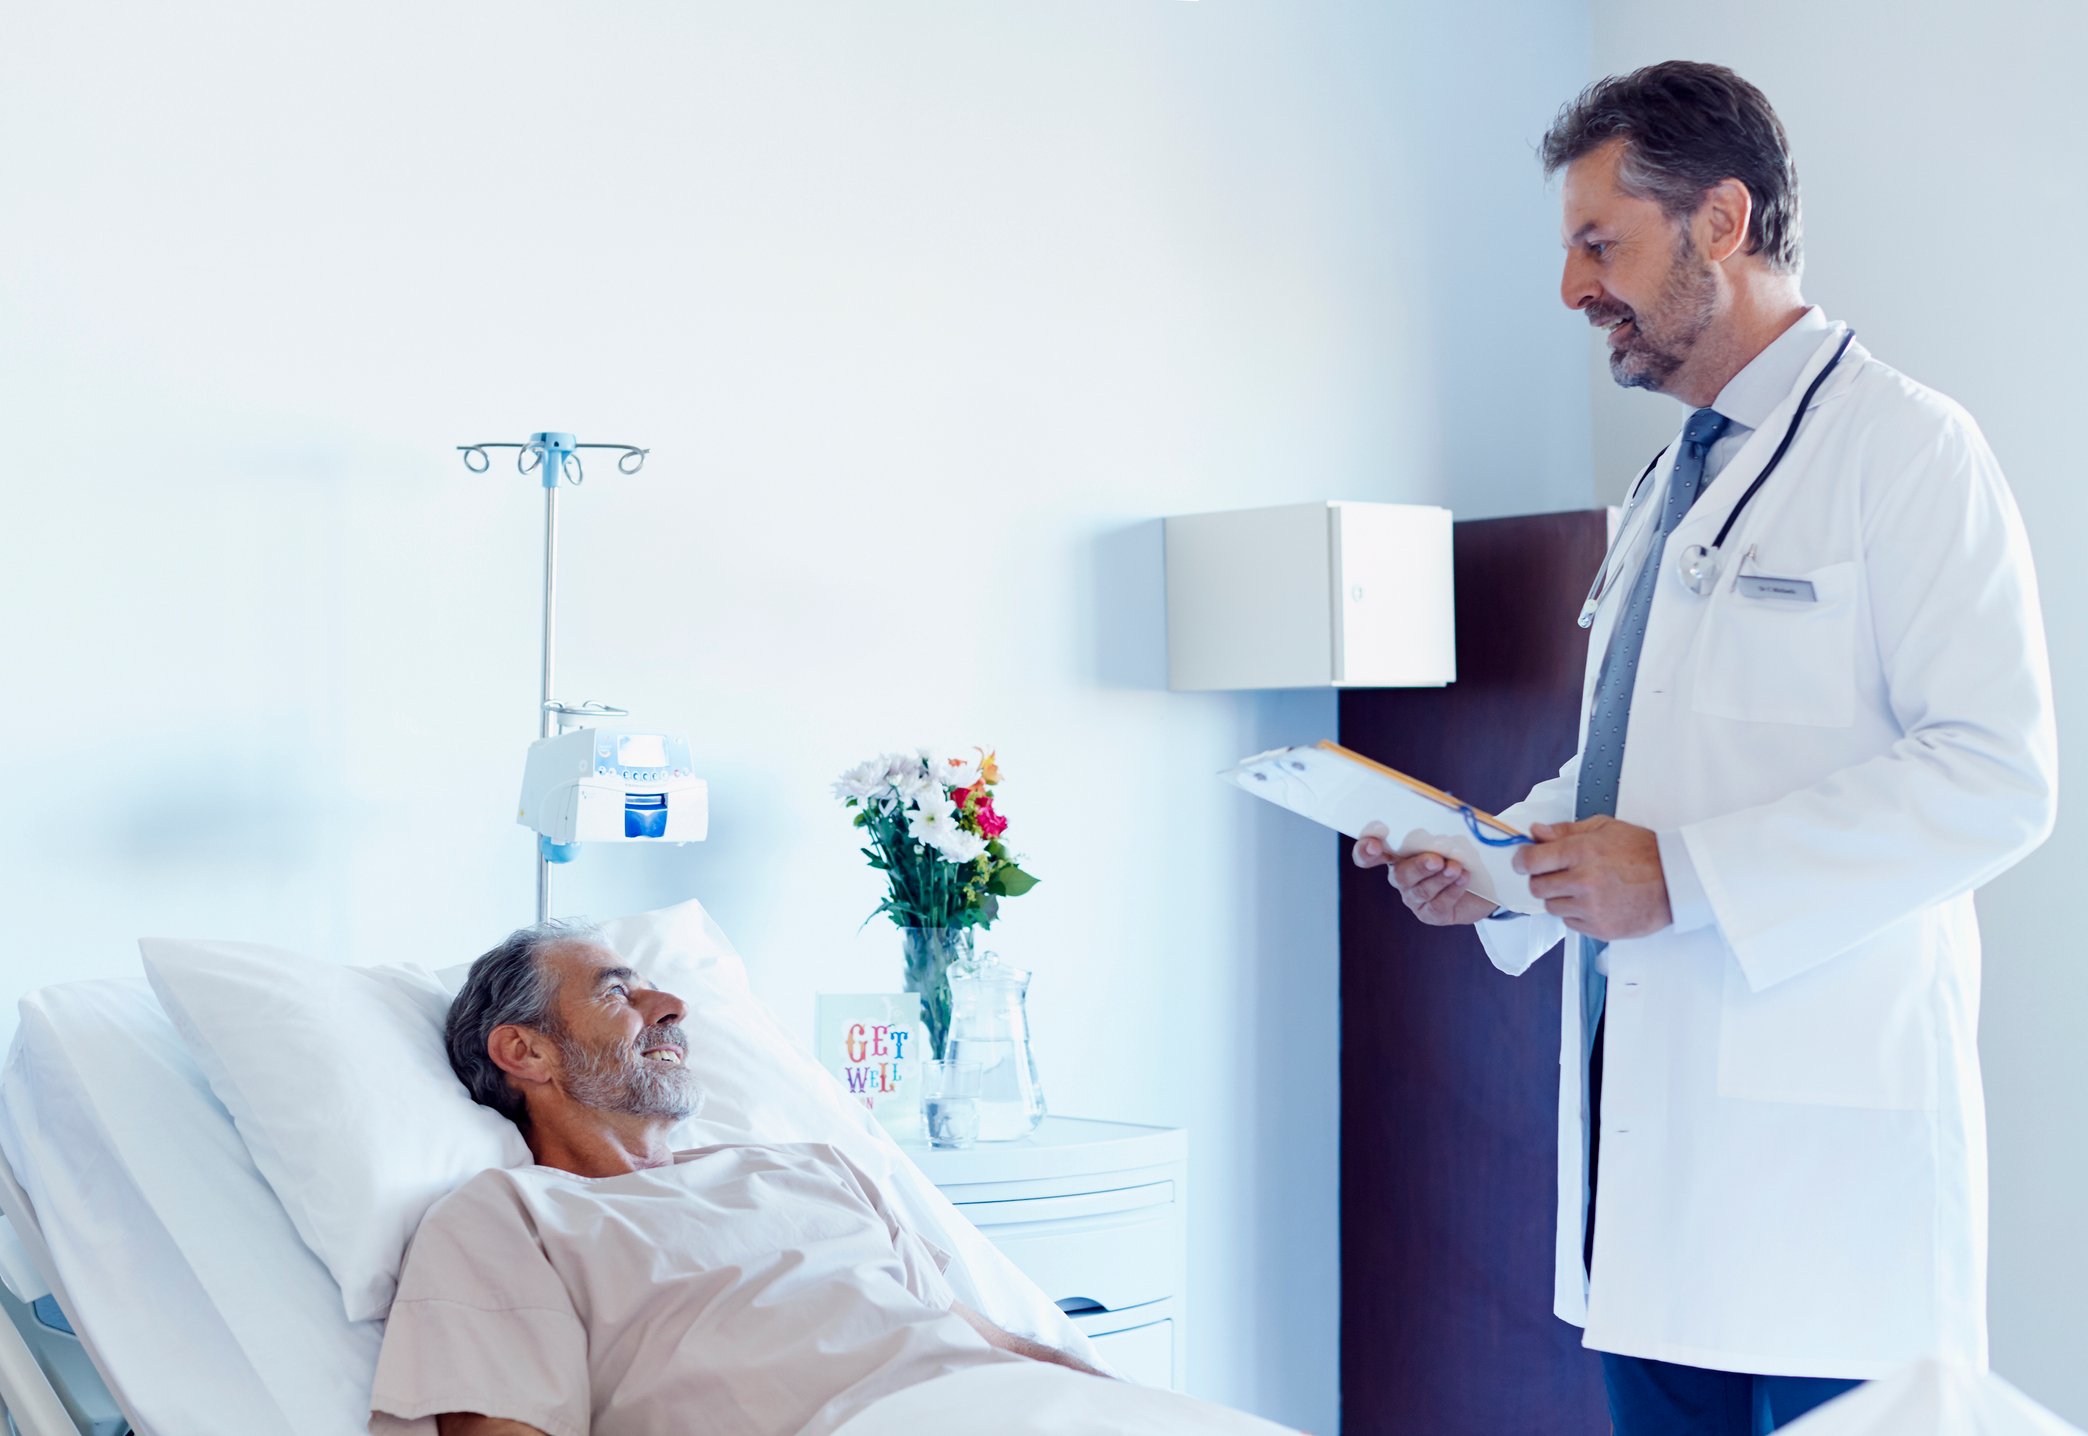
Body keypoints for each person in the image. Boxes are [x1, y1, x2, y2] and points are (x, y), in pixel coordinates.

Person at [1353, 61, 2055, 1436]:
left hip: (1830, 1193)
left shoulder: (1909, 453)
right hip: (1653, 1191)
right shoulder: (1666, 487)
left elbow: (1998, 773)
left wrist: (1685, 879)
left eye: (1599, 242)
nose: (1571, 288)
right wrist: (1491, 864)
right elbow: (1633, 777)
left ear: (1721, 222)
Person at [368, 921, 1293, 1436]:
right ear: (523, 1050)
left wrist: (1128, 1402)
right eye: (617, 992)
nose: (671, 1005)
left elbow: (987, 1340)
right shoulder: (510, 1218)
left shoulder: (805, 1166)